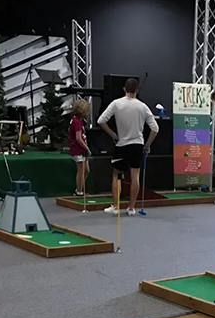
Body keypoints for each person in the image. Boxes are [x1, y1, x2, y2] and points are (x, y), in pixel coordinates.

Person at [97, 78, 159, 215]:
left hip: (122, 145)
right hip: (138, 145)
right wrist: (147, 145)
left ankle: (115, 206)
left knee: (117, 175)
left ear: (124, 89)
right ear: (137, 90)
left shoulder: (116, 103)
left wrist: (113, 134)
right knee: (135, 176)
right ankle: (131, 208)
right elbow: (155, 128)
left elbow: (101, 120)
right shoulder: (143, 106)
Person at [68, 99, 91, 196]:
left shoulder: (77, 120)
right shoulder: (77, 122)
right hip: (78, 149)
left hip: (81, 149)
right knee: (81, 170)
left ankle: (79, 187)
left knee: (86, 170)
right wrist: (87, 148)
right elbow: (78, 138)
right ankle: (79, 191)